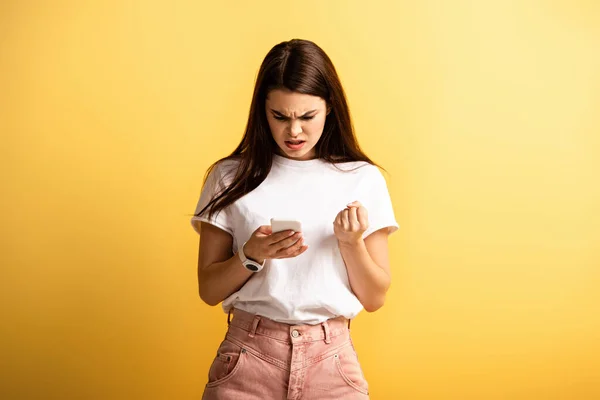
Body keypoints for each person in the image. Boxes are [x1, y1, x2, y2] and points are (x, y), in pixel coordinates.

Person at [191, 38, 399, 400]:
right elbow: (209, 291)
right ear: (262, 111)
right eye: (280, 117)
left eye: (307, 116)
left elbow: (374, 297)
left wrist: (351, 243)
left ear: (330, 108)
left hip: (332, 360)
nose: (294, 131)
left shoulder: (362, 178)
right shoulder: (229, 177)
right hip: (248, 357)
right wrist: (251, 255)